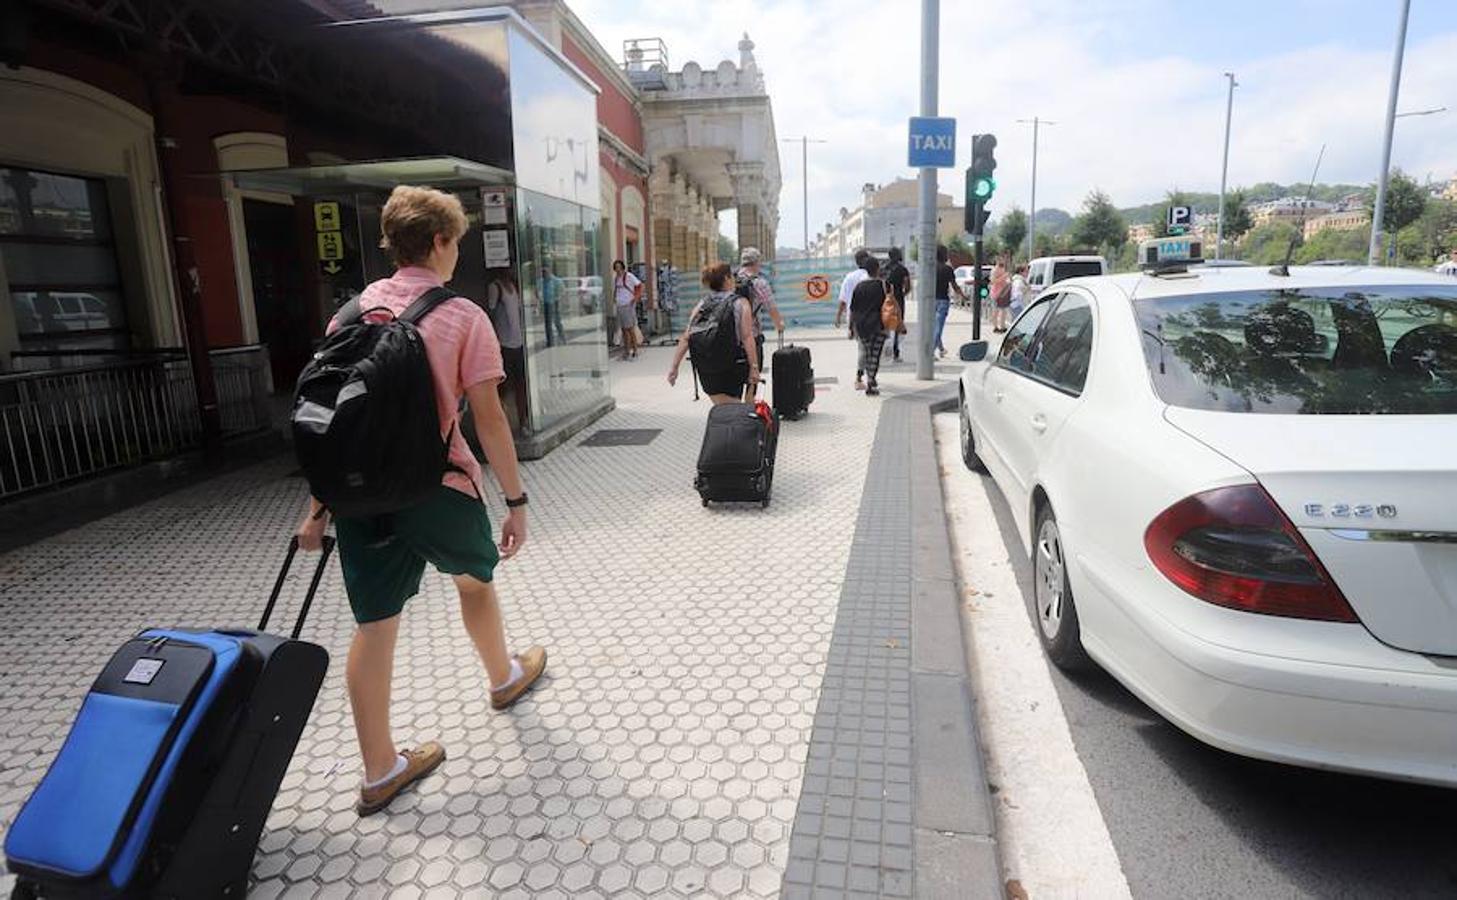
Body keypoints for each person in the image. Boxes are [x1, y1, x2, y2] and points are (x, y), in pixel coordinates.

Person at [294, 185, 545, 817]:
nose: (457, 251)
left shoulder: (349, 314)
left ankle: (380, 770)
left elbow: (335, 421)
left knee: (374, 627)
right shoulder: (462, 315)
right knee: (473, 581)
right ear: (437, 241)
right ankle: (503, 677)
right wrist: (515, 500)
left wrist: (319, 509)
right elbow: (488, 420)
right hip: (438, 486)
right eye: (455, 240)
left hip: (358, 497)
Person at [666, 263, 759, 404]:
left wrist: (674, 368)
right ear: (727, 279)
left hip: (706, 368)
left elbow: (686, 337)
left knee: (722, 408)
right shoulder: (741, 303)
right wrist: (754, 368)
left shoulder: (702, 304)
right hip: (731, 366)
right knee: (732, 411)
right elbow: (747, 337)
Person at [485, 271, 529, 432]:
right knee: (503, 386)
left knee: (521, 384)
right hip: (503, 343)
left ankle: (522, 420)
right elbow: (491, 313)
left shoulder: (514, 286)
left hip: (518, 342)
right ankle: (504, 422)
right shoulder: (495, 287)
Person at [736, 247, 784, 370]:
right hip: (752, 335)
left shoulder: (730, 280)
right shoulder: (759, 283)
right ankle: (751, 389)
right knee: (753, 375)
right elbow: (771, 308)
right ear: (757, 263)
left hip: (730, 335)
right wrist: (779, 325)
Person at [849, 256, 890, 395]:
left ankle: (870, 380)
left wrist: (851, 327)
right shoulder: (883, 285)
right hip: (878, 325)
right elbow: (889, 305)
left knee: (867, 353)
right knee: (875, 355)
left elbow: (852, 309)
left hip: (862, 326)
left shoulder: (859, 287)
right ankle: (871, 382)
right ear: (877, 269)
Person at [932, 245, 968, 359]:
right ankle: (931, 352)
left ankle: (941, 349)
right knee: (938, 327)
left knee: (933, 327)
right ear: (944, 255)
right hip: (943, 300)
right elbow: (955, 286)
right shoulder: (947, 269)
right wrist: (963, 296)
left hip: (930, 300)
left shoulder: (930, 268)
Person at [883, 246, 911, 361]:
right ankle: (896, 352)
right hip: (898, 299)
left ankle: (885, 347)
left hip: (885, 300)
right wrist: (903, 294)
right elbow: (908, 286)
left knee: (886, 323)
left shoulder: (884, 268)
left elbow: (882, 283)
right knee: (898, 324)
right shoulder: (903, 269)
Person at [835, 249, 871, 336]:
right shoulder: (872, 276)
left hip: (854, 318)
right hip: (871, 317)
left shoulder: (849, 277)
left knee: (861, 345)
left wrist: (838, 317)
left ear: (856, 262)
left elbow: (843, 299)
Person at [612, 259, 643, 359]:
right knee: (624, 329)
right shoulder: (617, 278)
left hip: (628, 304)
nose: (617, 269)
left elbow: (639, 285)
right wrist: (614, 298)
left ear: (622, 267)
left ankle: (635, 350)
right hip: (620, 305)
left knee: (630, 328)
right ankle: (626, 351)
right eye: (616, 267)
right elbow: (616, 289)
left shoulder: (628, 276)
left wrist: (635, 298)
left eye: (619, 267)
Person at [540, 265, 566, 347]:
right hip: (546, 303)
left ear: (549, 271)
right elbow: (538, 291)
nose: (544, 274)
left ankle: (562, 338)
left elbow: (562, 291)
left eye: (545, 272)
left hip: (554, 303)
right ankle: (550, 342)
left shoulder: (556, 281)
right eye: (543, 272)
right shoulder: (542, 281)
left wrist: (557, 298)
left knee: (557, 321)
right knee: (548, 324)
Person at [990, 257, 1012, 333]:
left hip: (1004, 292)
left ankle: (1002, 326)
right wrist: (1004, 277)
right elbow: (993, 281)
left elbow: (1006, 280)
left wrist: (1008, 281)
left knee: (1003, 311)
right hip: (996, 293)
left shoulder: (1003, 269)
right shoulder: (995, 270)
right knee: (996, 311)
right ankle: (995, 327)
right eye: (1001, 260)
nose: (1003, 261)